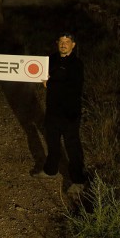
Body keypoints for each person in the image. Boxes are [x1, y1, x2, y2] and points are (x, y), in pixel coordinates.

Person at [34, 32, 86, 187]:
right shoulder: (50, 60)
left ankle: (77, 180)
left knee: (72, 145)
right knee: (52, 142)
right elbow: (37, 71)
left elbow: (72, 86)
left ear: (73, 45)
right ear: (57, 43)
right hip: (53, 110)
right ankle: (51, 170)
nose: (63, 44)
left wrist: (50, 83)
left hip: (70, 112)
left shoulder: (77, 64)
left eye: (67, 41)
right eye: (61, 41)